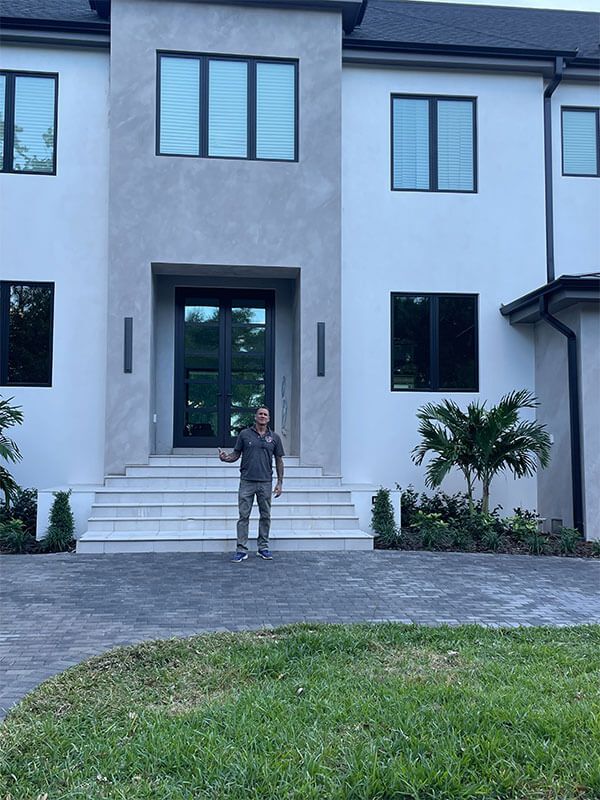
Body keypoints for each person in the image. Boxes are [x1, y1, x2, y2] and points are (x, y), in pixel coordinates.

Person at [218, 406, 284, 562]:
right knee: (243, 516)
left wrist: (280, 482)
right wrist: (226, 458)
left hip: (266, 482)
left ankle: (263, 548)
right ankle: (241, 550)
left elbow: (279, 460)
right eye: (260, 414)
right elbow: (236, 454)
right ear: (255, 417)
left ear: (268, 418)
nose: (262, 416)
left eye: (265, 414)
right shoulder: (244, 434)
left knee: (265, 516)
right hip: (247, 481)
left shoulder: (274, 437)